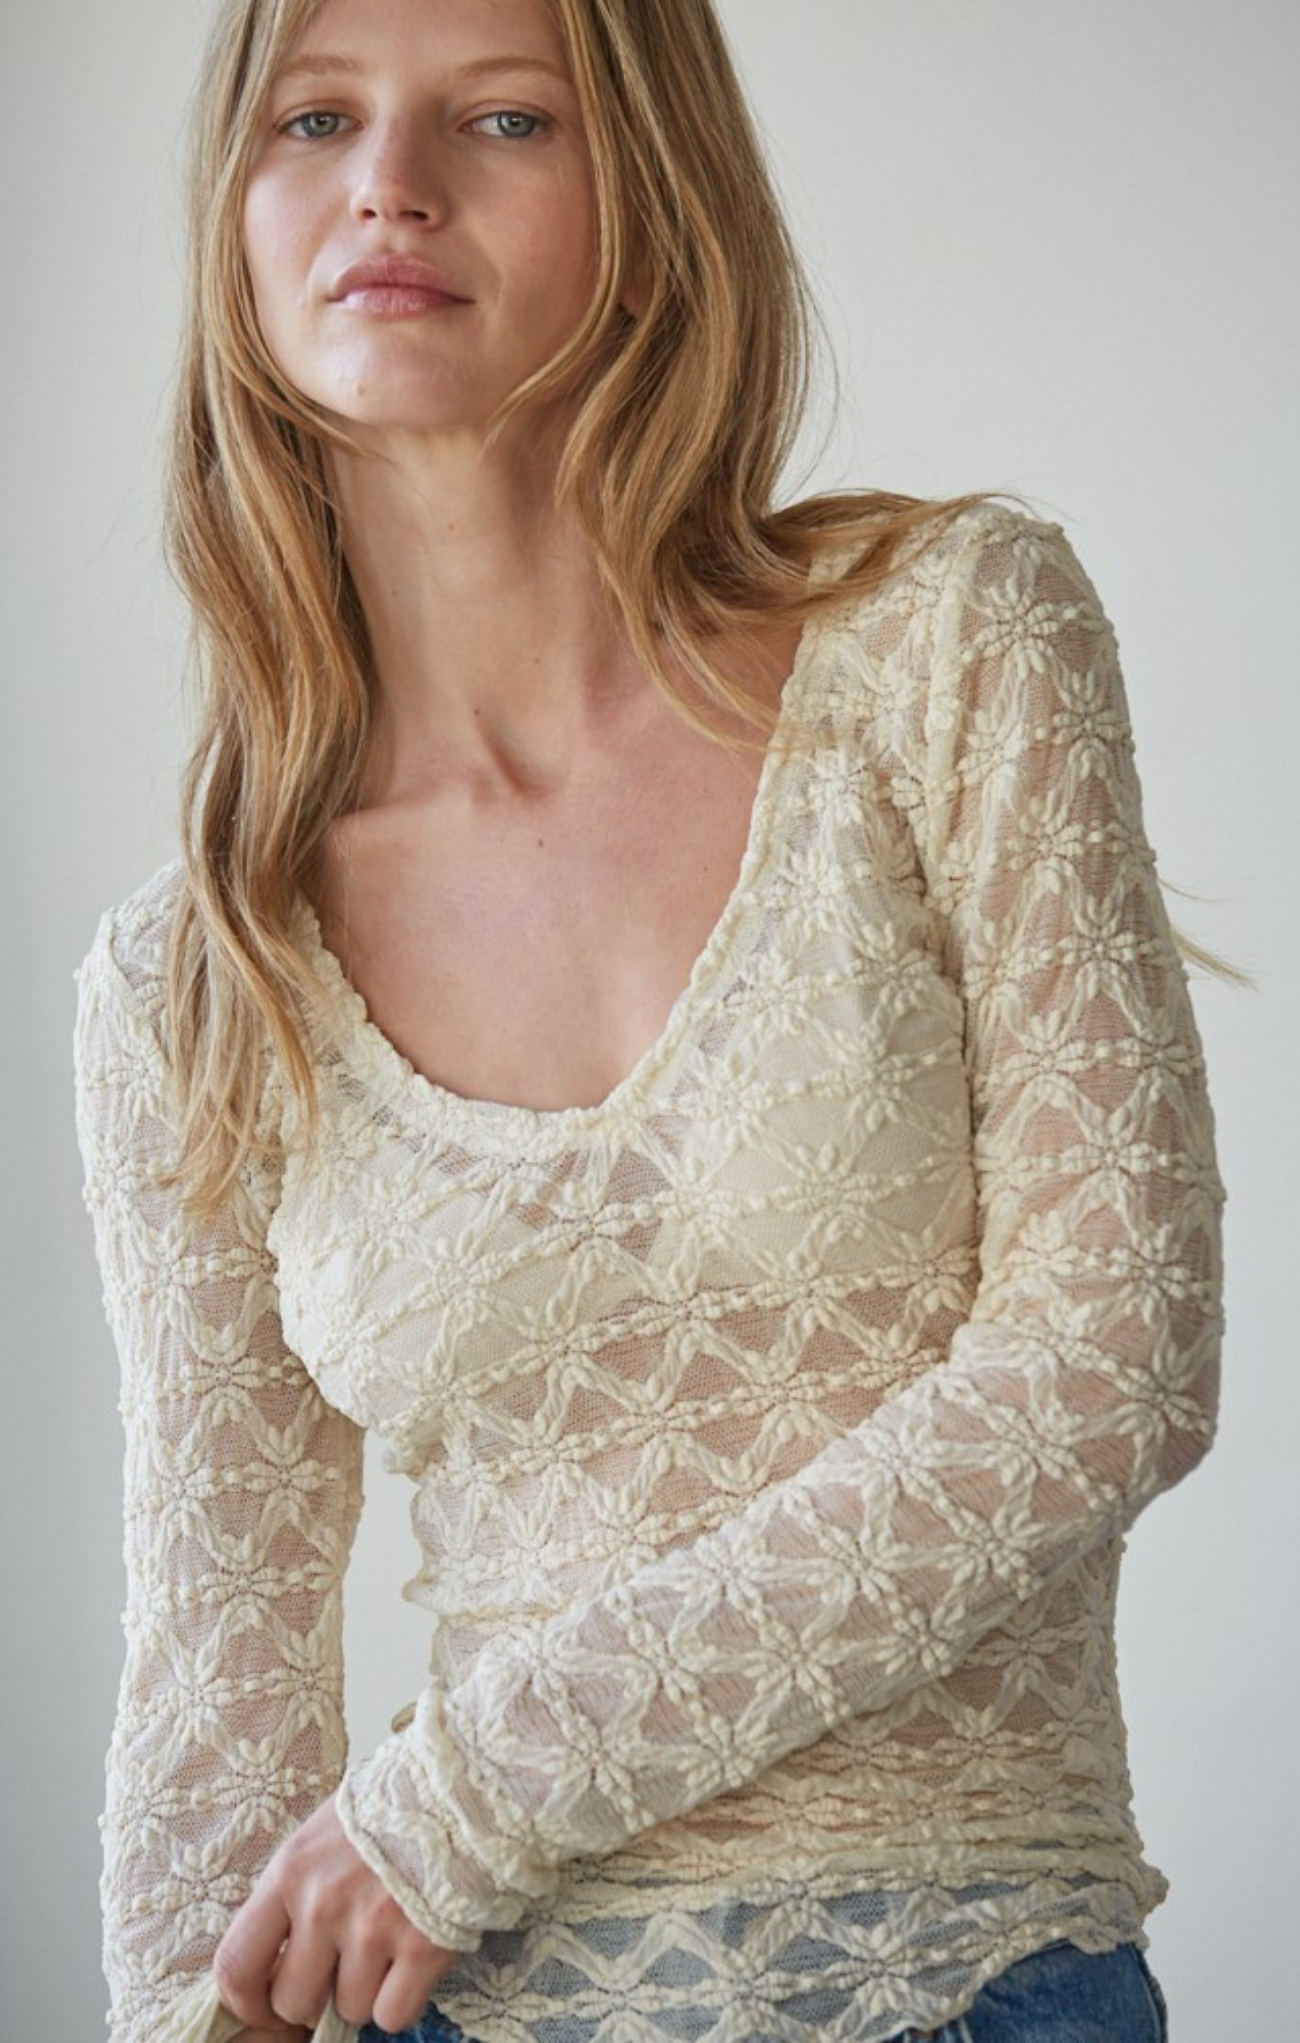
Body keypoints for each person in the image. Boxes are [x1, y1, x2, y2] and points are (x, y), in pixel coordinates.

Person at [73, 0, 1225, 2039]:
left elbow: (1108, 1358)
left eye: (500, 117)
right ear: (233, 221)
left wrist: (456, 1800)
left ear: (654, 198)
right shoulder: (197, 973)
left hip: (972, 1976)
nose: (386, 184)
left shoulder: (946, 643)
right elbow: (215, 1683)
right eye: (311, 118)